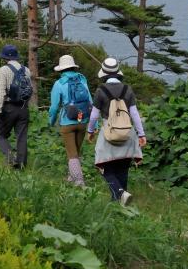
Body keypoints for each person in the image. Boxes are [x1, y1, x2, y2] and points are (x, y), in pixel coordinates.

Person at [86, 57, 146, 206]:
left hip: (109, 133)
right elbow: (134, 114)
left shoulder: (101, 91)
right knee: (123, 167)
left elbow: (94, 116)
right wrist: (141, 134)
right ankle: (121, 201)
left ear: (104, 74)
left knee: (105, 166)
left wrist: (90, 131)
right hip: (127, 133)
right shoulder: (127, 89)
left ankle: (119, 194)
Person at [49, 55, 92, 186]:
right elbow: (90, 102)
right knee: (76, 151)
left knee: (71, 153)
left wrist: (51, 121)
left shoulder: (59, 84)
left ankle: (79, 181)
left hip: (67, 122)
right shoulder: (82, 81)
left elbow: (54, 107)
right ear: (73, 67)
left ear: (61, 69)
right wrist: (93, 123)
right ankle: (71, 177)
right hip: (82, 120)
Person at [0, 44, 32, 169]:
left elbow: (0, 93)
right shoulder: (26, 70)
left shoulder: (3, 70)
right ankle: (21, 165)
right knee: (21, 136)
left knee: (1, 135)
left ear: (5, 57)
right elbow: (29, 89)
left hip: (9, 107)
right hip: (23, 108)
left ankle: (11, 158)